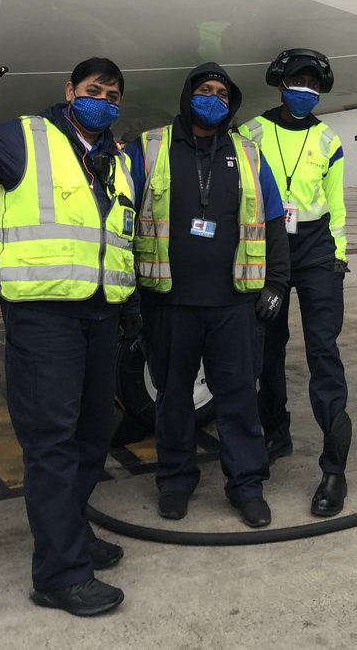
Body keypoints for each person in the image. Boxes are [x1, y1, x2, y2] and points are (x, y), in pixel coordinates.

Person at [0, 29, 139, 616]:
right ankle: (58, 574)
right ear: (70, 91)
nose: (105, 100)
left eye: (114, 94)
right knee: (51, 443)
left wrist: (129, 309)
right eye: (95, 90)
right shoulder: (28, 136)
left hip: (100, 314)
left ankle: (71, 536)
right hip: (43, 314)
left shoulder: (117, 158)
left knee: (94, 435)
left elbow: (118, 238)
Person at [126, 63, 290, 528]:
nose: (213, 98)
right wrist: (130, 296)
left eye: (221, 92)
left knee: (238, 397)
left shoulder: (250, 154)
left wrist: (276, 283)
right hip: (169, 301)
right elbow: (123, 217)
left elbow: (273, 222)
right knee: (173, 396)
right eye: (204, 90)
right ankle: (176, 480)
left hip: (235, 302)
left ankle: (246, 485)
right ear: (187, 95)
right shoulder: (150, 147)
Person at [238, 48, 352, 517]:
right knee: (267, 345)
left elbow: (336, 203)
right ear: (280, 84)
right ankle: (275, 432)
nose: (304, 91)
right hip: (268, 245)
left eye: (312, 86)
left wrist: (339, 256)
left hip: (316, 247)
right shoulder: (252, 132)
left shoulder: (328, 140)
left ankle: (334, 468)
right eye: (296, 82)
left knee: (323, 350)